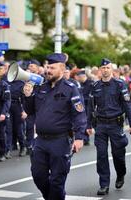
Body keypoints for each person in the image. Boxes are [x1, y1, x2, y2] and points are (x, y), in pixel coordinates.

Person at [23, 53, 86, 200]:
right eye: (47, 67)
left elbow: (79, 114)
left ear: (62, 69)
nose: (48, 70)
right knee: (38, 176)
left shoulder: (71, 88)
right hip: (41, 141)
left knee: (57, 181)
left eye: (52, 67)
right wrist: (27, 96)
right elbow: (30, 111)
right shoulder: (41, 87)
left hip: (60, 141)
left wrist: (80, 137)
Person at [87, 58, 131, 195]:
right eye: (103, 68)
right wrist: (88, 125)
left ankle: (120, 174)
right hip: (101, 125)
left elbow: (127, 105)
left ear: (111, 70)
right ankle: (104, 184)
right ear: (99, 70)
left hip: (116, 124)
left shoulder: (119, 84)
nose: (105, 70)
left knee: (118, 154)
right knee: (101, 155)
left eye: (107, 68)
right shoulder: (95, 85)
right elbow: (90, 107)